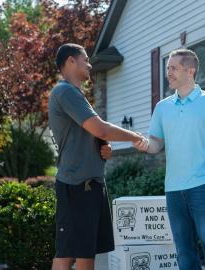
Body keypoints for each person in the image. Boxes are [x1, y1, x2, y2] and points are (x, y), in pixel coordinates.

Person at [134, 48, 205, 270]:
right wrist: (143, 144)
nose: (168, 73)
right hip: (173, 189)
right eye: (167, 68)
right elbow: (156, 144)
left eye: (173, 68)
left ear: (190, 71)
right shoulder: (162, 107)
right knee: (183, 250)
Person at [48, 43, 145, 270]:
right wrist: (134, 137)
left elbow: (93, 135)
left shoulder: (76, 95)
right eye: (86, 59)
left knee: (86, 253)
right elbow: (99, 128)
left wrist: (104, 149)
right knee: (67, 253)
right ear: (71, 61)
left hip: (90, 184)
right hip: (75, 185)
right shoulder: (64, 92)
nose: (90, 64)